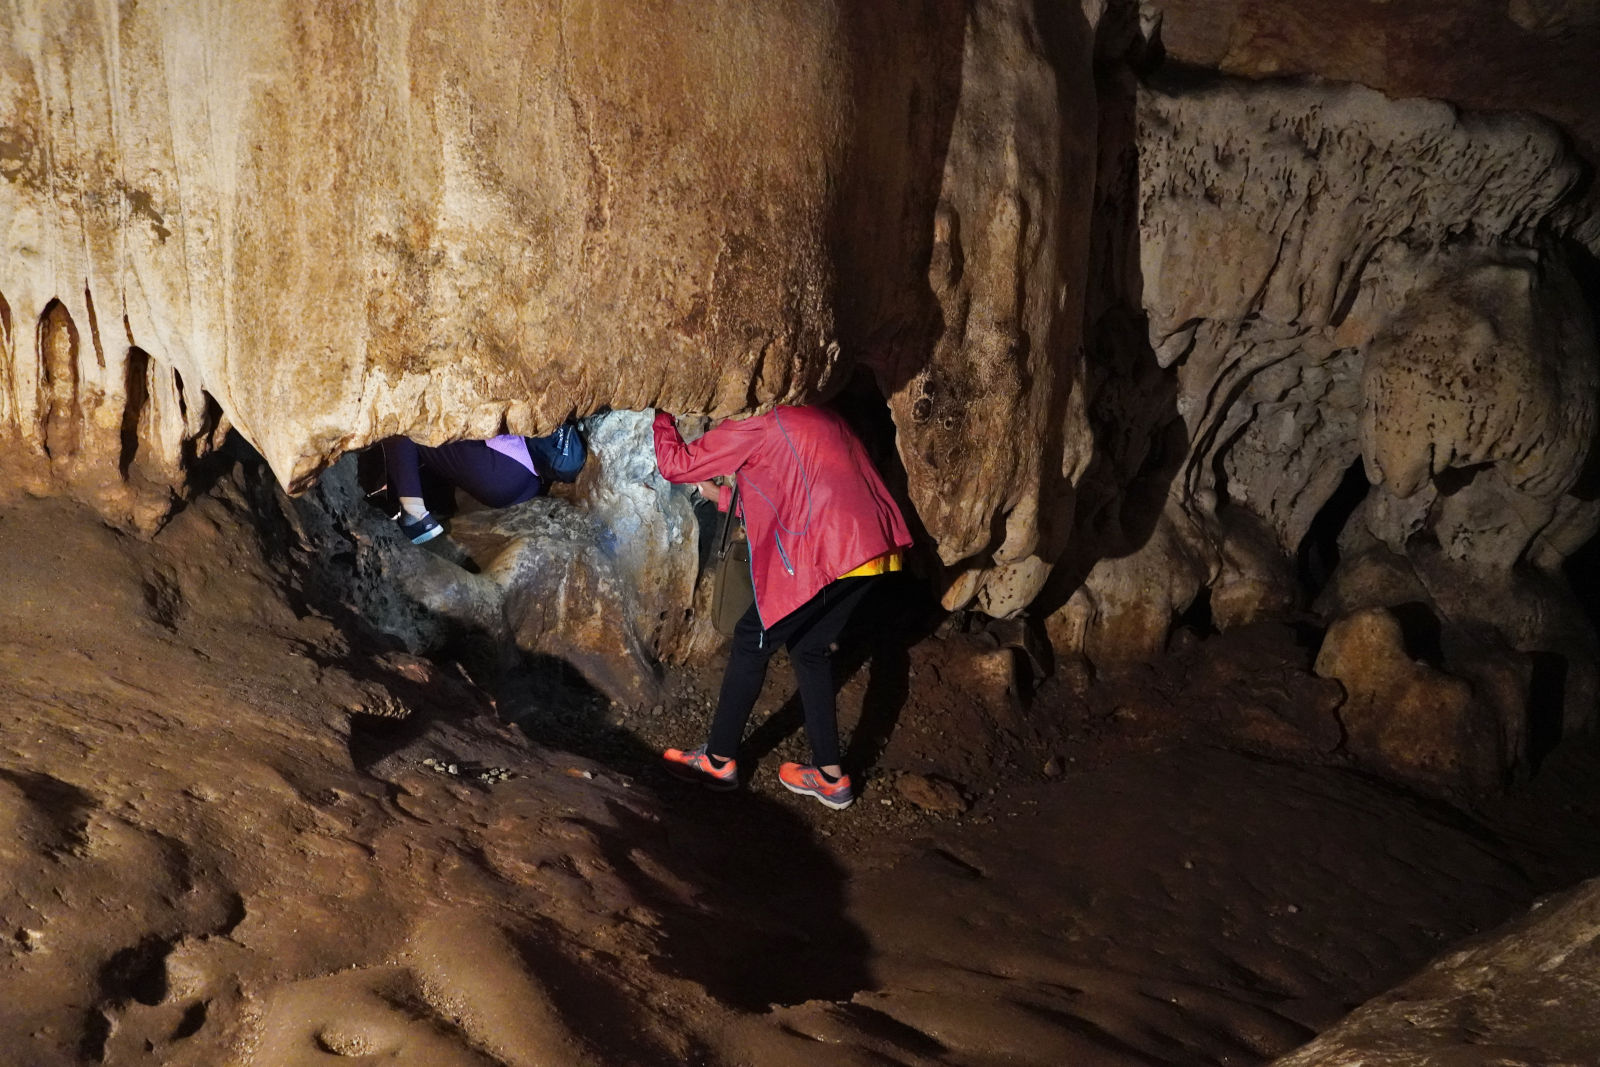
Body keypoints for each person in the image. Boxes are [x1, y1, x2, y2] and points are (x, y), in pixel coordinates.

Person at [652, 404, 912, 809]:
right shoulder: (821, 415)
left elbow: (675, 464)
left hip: (832, 551)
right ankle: (830, 777)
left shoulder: (755, 424)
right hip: (876, 547)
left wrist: (662, 414)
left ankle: (717, 760)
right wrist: (723, 497)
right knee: (809, 650)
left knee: (751, 638)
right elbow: (799, 492)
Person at [380, 434, 548, 544]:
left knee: (405, 422)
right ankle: (439, 504)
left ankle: (414, 514)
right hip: (530, 484)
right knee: (450, 451)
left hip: (500, 467)